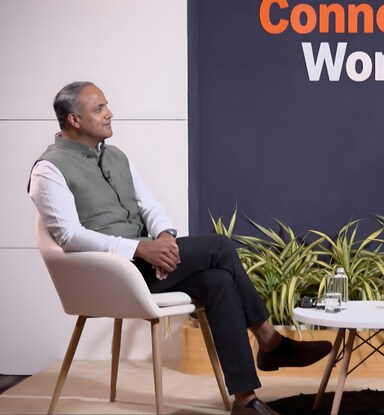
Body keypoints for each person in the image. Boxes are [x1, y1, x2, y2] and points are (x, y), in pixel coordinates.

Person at [28, 81, 333, 415]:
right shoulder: (49, 169)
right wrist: (141, 249)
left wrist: (164, 239)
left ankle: (245, 399)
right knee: (219, 245)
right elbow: (70, 236)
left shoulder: (115, 156)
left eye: (106, 106)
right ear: (74, 119)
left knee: (218, 280)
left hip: (144, 266)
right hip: (110, 275)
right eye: (99, 108)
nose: (109, 113)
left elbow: (149, 205)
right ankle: (270, 340)